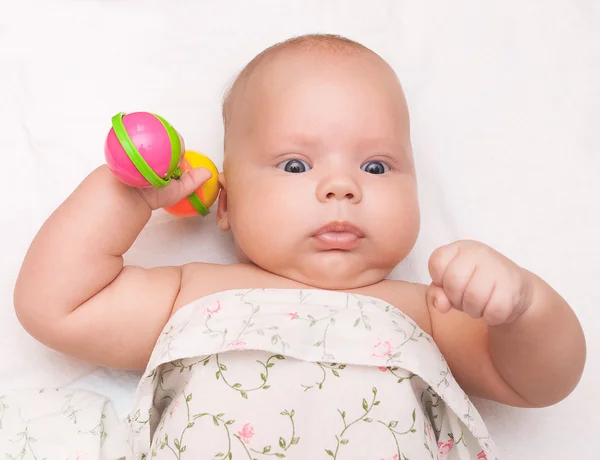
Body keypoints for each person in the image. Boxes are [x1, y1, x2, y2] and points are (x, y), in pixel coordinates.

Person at [14, 34, 586, 459]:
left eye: (376, 164)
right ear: (227, 203)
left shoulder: (427, 309)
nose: (342, 186)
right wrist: (129, 194)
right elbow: (58, 306)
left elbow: (537, 383)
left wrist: (524, 307)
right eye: (295, 164)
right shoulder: (191, 294)